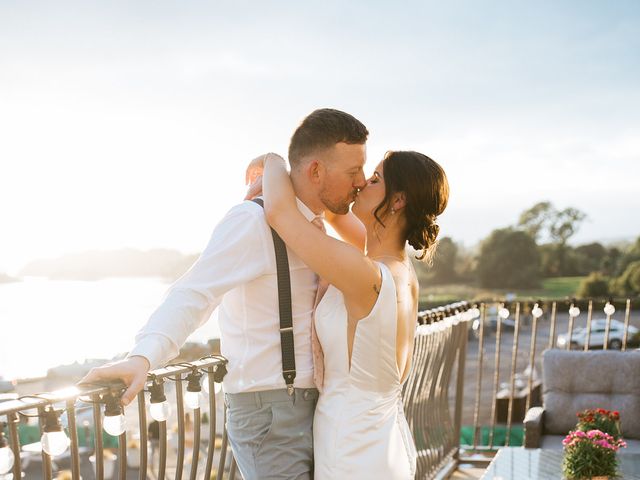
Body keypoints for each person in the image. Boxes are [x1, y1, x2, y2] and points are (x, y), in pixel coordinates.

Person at [80, 108, 369, 480]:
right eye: (352, 172)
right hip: (269, 414)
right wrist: (143, 357)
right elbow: (194, 292)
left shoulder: (314, 228)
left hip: (316, 408)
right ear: (316, 171)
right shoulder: (250, 221)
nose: (360, 181)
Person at [258, 150, 449, 479]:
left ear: (398, 200)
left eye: (374, 179)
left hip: (351, 452)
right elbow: (334, 214)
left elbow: (280, 213)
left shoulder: (366, 276)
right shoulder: (399, 269)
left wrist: (271, 161)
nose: (361, 184)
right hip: (386, 441)